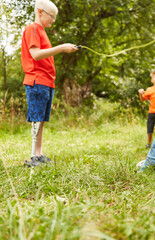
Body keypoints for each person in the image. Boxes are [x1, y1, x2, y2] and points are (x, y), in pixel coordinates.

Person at [22, 0, 78, 167]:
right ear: (40, 12)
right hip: (36, 80)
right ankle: (33, 157)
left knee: (42, 120)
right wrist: (61, 47)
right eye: (51, 16)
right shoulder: (32, 29)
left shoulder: (42, 32)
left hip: (47, 82)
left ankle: (38, 154)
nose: (53, 20)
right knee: (37, 119)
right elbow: (36, 54)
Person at [138, 71, 155, 148]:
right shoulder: (149, 89)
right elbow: (142, 99)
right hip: (152, 113)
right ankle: (149, 143)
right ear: (152, 80)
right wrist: (140, 93)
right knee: (149, 129)